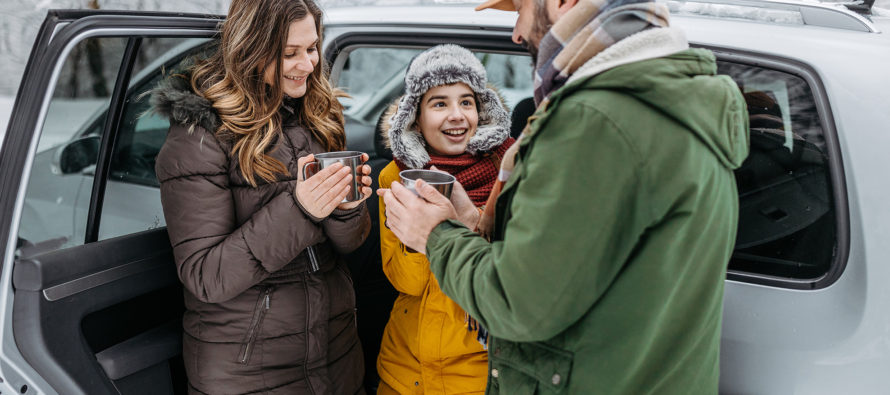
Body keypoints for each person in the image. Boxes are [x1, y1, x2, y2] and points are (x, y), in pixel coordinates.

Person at [377, 0, 750, 392]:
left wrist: (437, 236)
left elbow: (519, 302)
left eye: (519, 9)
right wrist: (472, 221)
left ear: (562, 4)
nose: (516, 33)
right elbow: (591, 261)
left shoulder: (592, 121)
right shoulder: (672, 101)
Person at [151, 0, 372, 393]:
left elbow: (350, 243)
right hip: (248, 369)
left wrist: (346, 209)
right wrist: (302, 210)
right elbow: (207, 276)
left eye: (311, 48)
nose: (307, 64)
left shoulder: (317, 114)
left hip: (335, 353)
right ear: (251, 49)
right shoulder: (199, 136)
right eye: (289, 53)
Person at [375, 44, 515, 395]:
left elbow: (517, 279)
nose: (457, 115)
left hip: (480, 373)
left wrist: (467, 221)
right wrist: (416, 232)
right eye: (440, 103)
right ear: (415, 117)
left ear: (482, 112)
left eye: (466, 102)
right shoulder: (396, 176)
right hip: (407, 371)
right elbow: (404, 281)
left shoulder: (511, 173)